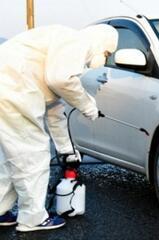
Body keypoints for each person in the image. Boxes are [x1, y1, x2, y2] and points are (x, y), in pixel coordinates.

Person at [0, 24, 118, 232]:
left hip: (10, 87)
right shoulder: (76, 41)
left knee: (13, 157)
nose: (104, 59)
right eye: (107, 53)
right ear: (101, 43)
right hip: (15, 89)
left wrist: (66, 151)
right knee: (32, 154)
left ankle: (0, 210)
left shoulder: (61, 48)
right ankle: (33, 218)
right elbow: (61, 80)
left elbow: (55, 112)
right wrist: (88, 106)